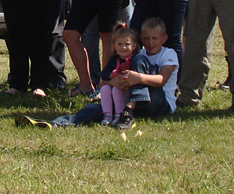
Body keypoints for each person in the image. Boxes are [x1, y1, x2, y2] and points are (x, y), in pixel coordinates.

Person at [18, 17, 179, 129]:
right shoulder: (139, 53)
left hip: (160, 103)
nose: (151, 42)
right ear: (141, 39)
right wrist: (113, 82)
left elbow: (161, 80)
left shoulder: (168, 54)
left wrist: (138, 77)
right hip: (136, 101)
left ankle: (128, 111)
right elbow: (111, 78)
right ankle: (57, 123)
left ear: (164, 38)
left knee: (138, 62)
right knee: (96, 109)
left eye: (155, 38)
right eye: (147, 38)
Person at [98, 26, 138, 126]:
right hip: (115, 86)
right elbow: (104, 74)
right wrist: (113, 75)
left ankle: (119, 115)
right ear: (114, 46)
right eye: (119, 44)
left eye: (127, 44)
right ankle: (107, 115)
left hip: (127, 90)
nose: (123, 47)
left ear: (134, 46)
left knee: (116, 89)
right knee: (105, 88)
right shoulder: (114, 59)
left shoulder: (135, 59)